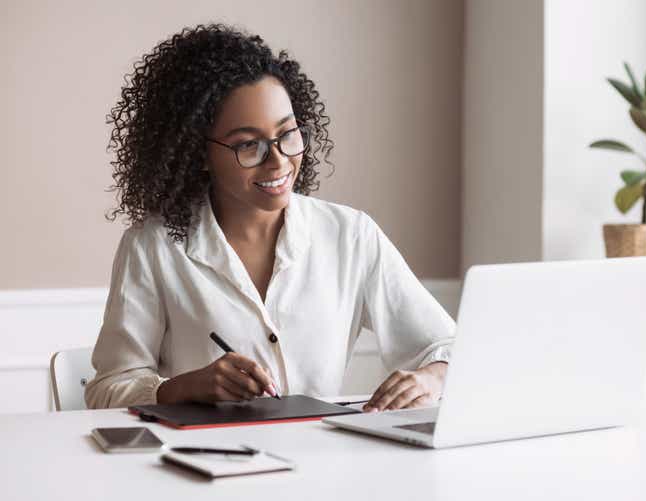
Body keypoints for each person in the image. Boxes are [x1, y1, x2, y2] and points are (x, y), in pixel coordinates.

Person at [84, 24, 454, 413]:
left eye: (288, 134)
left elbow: (446, 345)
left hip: (322, 462)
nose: (278, 161)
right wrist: (184, 386)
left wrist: (430, 377)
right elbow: (107, 389)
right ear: (198, 153)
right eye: (249, 145)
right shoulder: (154, 247)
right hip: (202, 463)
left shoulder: (350, 235)